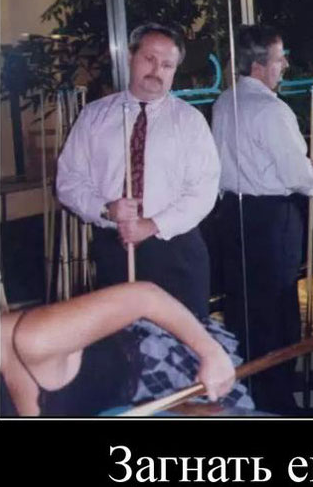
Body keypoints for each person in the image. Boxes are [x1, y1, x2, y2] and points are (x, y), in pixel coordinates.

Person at [57, 23, 219, 321]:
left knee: (181, 344)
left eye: (167, 65)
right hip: (114, 251)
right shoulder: (94, 116)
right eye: (149, 59)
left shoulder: (190, 121)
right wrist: (106, 209)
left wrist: (152, 224)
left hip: (175, 252)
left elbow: (204, 191)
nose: (157, 70)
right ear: (130, 57)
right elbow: (68, 181)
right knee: (123, 341)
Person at [212, 25, 313, 415]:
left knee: (243, 309)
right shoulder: (272, 110)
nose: (285, 64)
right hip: (271, 218)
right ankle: (279, 406)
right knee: (277, 311)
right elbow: (297, 176)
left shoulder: (224, 101)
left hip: (232, 214)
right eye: (279, 58)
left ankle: (249, 397)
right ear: (259, 65)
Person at [0, 283, 238, 416]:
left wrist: (211, 354)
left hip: (161, 363)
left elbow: (145, 297)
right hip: (124, 403)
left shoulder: (35, 338)